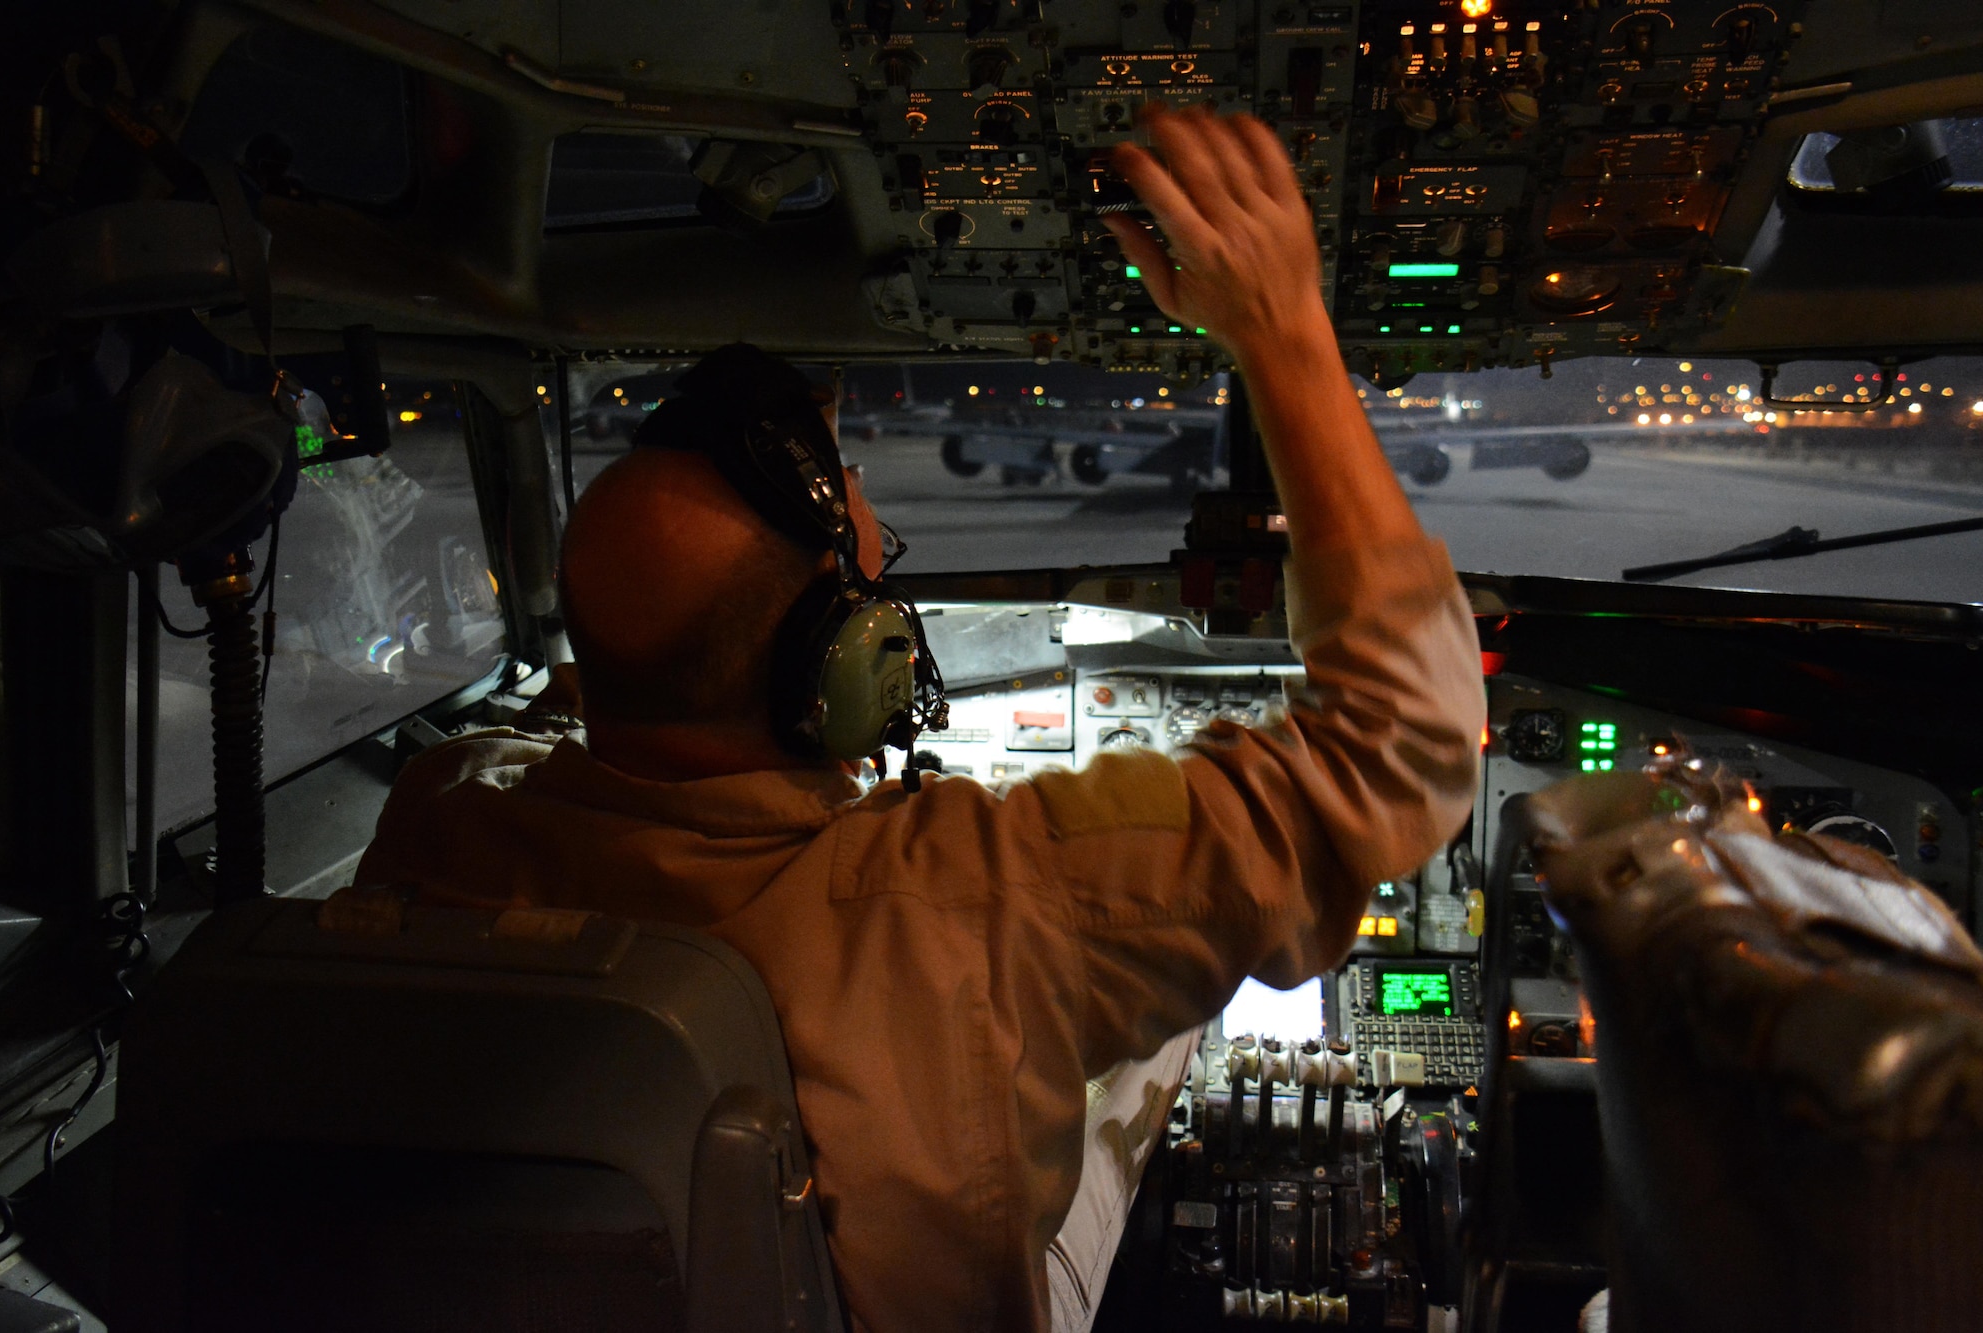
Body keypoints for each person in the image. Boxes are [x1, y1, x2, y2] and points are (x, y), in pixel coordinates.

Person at [354, 106, 1486, 1331]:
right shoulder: (986, 901)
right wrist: (1280, 328)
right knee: (1161, 1036)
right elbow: (1399, 745)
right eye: (873, 570)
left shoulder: (442, 815)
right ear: (846, 668)